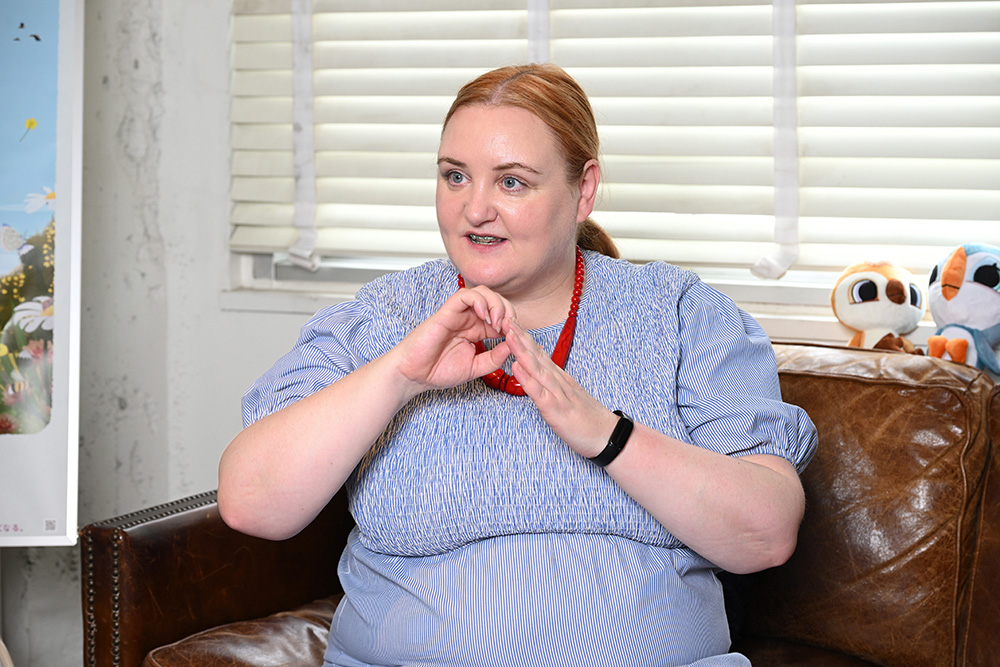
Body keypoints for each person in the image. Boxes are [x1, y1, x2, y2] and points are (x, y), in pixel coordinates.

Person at [218, 63, 817, 667]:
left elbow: (765, 535)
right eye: (455, 176)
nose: (475, 209)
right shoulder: (384, 317)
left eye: (512, 182)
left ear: (584, 190)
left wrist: (606, 435)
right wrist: (399, 375)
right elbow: (251, 503)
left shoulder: (681, 314)